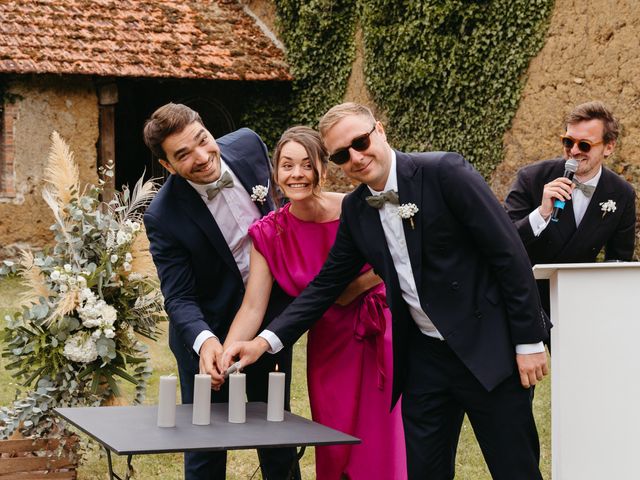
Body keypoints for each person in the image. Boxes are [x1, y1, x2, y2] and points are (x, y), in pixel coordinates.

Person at [223, 102, 551, 479]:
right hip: (425, 360)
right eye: (343, 154)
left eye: (361, 142)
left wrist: (528, 342)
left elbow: (508, 254)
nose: (357, 158)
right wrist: (263, 343)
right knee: (424, 471)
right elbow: (324, 287)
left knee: (515, 469)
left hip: (488, 346)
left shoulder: (444, 172)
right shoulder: (358, 211)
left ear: (379, 130)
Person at [220, 126, 407, 479]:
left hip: (378, 335)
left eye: (307, 164)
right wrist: (228, 351)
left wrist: (354, 287)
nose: (297, 174)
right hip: (328, 347)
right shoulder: (268, 233)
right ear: (275, 172)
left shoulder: (358, 207)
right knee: (334, 446)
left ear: (323, 167)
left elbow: (397, 258)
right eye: (287, 165)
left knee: (382, 444)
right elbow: (252, 306)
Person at [142, 103, 300, 480]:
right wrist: (206, 343)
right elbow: (179, 296)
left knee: (278, 436)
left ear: (207, 129)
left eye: (202, 140)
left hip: (267, 324)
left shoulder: (249, 145)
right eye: (183, 155)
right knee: (206, 447)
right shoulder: (163, 216)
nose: (202, 157)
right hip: (208, 337)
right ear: (167, 166)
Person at [504, 101, 636, 314]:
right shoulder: (531, 178)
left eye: (584, 145)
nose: (574, 151)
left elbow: (618, 261)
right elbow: (504, 242)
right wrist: (542, 213)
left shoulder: (621, 193)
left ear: (609, 147)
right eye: (568, 142)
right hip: (524, 298)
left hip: (578, 301)